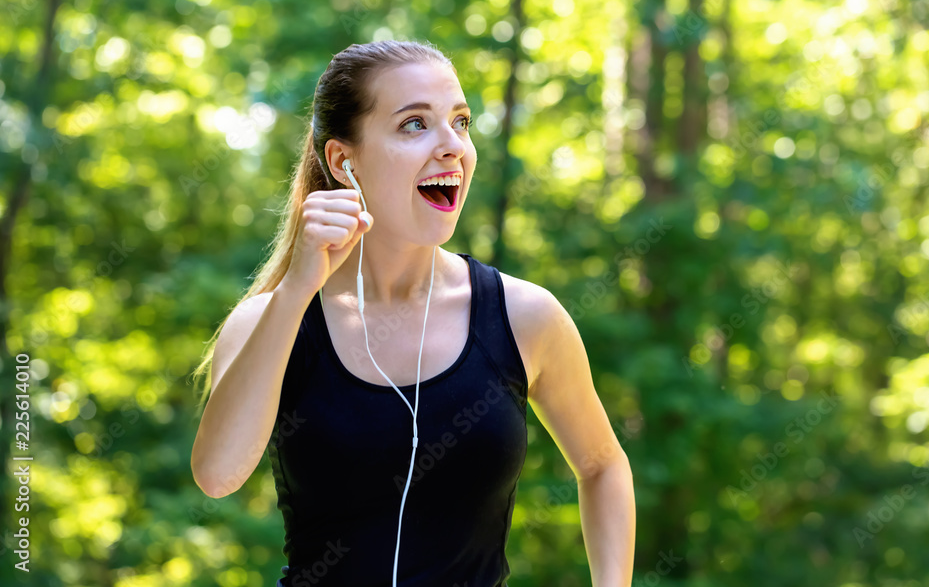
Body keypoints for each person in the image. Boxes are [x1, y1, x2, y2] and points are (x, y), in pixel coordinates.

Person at [190, 39, 635, 587]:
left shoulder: (525, 317)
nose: (452, 146)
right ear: (343, 162)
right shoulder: (273, 320)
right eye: (414, 125)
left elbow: (602, 465)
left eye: (462, 122)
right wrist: (299, 288)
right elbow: (217, 475)